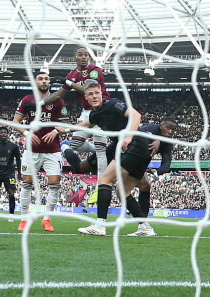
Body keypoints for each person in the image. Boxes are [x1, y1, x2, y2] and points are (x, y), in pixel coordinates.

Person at [74, 84, 177, 237]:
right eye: (91, 94)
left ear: (102, 94)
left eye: (97, 93)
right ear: (86, 97)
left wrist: (130, 136)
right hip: (137, 150)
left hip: (134, 146)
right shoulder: (95, 115)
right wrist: (61, 129)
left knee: (105, 180)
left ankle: (100, 225)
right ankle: (145, 227)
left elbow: (136, 116)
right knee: (123, 191)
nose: (94, 96)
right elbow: (86, 124)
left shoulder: (112, 104)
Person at [24, 48, 110, 181]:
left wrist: (68, 82)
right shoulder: (72, 74)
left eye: (86, 55)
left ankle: (101, 185)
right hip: (86, 112)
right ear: (75, 58)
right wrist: (39, 104)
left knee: (101, 152)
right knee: (75, 144)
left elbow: (89, 90)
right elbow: (58, 95)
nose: (84, 57)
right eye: (80, 55)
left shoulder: (94, 70)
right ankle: (96, 149)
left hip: (101, 110)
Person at [13, 71, 69, 232]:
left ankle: (47, 219)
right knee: (26, 183)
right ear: (35, 81)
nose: (44, 81)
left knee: (55, 184)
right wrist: (27, 133)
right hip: (32, 150)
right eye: (40, 79)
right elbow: (15, 121)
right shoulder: (27, 100)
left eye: (46, 79)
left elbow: (65, 124)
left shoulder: (58, 100)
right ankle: (23, 219)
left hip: (53, 150)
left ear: (49, 82)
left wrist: (56, 131)